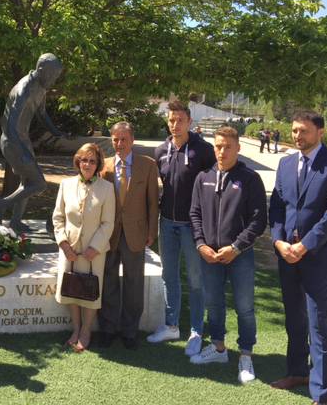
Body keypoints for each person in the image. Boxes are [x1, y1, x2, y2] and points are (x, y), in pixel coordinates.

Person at [269, 111, 327, 405]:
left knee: (319, 324)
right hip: (286, 255)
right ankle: (297, 372)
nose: (297, 136)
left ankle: (321, 392)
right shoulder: (285, 163)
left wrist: (303, 246)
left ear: (321, 132)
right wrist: (278, 241)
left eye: (303, 131)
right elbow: (277, 207)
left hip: (318, 257)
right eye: (294, 130)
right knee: (294, 318)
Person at [189, 127, 267, 383]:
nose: (222, 151)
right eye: (218, 146)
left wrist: (235, 247)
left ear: (238, 148)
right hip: (209, 255)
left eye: (227, 147)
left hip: (239, 255)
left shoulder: (250, 179)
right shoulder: (203, 177)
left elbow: (258, 221)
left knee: (244, 307)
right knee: (214, 304)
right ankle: (219, 348)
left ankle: (246, 354)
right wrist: (201, 244)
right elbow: (195, 214)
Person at [147, 100, 215, 357]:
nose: (175, 125)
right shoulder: (161, 150)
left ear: (189, 122)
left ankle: (196, 330)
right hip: (167, 222)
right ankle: (171, 324)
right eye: (171, 120)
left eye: (180, 120)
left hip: (193, 226)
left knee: (196, 280)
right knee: (169, 276)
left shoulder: (204, 150)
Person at [98, 121, 159, 349]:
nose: (120, 144)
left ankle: (130, 330)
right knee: (109, 280)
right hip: (108, 233)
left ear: (132, 140)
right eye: (115, 139)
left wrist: (152, 232)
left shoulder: (148, 165)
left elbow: (153, 203)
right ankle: (107, 328)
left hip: (136, 233)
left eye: (124, 139)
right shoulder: (103, 166)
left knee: (134, 283)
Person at [52, 143, 115, 352]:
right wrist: (63, 243)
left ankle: (87, 331)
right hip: (69, 250)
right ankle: (76, 329)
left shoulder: (106, 188)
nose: (87, 164)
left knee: (90, 292)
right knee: (71, 289)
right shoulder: (65, 185)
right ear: (78, 161)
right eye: (84, 160)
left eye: (92, 161)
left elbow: (108, 223)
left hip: (93, 253)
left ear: (98, 165)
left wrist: (95, 247)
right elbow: (58, 217)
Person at [0, 53, 64, 232]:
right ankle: (0, 205)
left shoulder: (41, 87)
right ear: (41, 70)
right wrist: (21, 151)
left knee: (27, 183)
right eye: (53, 76)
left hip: (23, 141)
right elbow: (10, 124)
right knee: (39, 184)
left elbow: (41, 113)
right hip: (13, 142)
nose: (54, 80)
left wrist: (57, 132)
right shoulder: (24, 89)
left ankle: (16, 222)